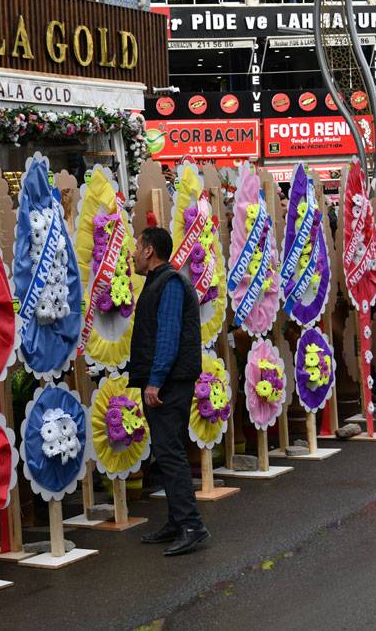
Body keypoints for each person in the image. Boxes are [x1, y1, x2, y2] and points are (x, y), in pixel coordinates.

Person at [128, 227, 209, 556]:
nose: (133, 253)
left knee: (171, 453)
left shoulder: (171, 282)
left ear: (149, 251)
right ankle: (178, 521)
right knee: (166, 451)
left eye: (137, 246)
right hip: (167, 380)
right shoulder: (160, 281)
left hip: (169, 383)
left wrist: (156, 380)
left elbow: (168, 335)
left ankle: (191, 525)